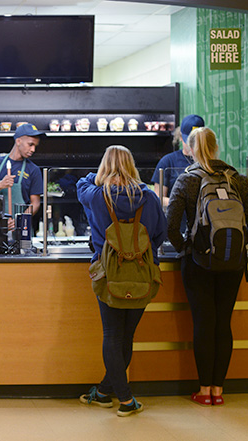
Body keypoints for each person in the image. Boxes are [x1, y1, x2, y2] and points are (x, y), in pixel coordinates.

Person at [166, 127, 248, 406]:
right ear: (216, 147)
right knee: (223, 324)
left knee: (203, 324)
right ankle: (219, 391)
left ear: (192, 149)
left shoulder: (187, 180)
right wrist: (233, 247)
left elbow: (171, 225)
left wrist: (187, 248)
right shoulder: (238, 179)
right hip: (232, 264)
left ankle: (204, 390)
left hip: (198, 264)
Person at [76, 145, 167, 417]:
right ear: (132, 165)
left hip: (108, 272)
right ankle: (106, 391)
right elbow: (160, 234)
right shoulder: (148, 197)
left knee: (112, 334)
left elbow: (81, 183)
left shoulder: (95, 195)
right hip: (142, 272)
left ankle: (123, 398)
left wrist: (104, 174)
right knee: (127, 335)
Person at [0, 123, 44, 228]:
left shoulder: (33, 170)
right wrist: (0, 185)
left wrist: (20, 220)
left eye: (35, 146)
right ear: (18, 141)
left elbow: (35, 203)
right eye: (30, 144)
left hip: (21, 228)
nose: (33, 150)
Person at [151, 114, 205, 207]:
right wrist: (183, 204)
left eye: (195, 141)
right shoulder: (167, 162)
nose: (191, 145)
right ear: (180, 137)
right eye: (188, 141)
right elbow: (158, 197)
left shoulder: (207, 162)